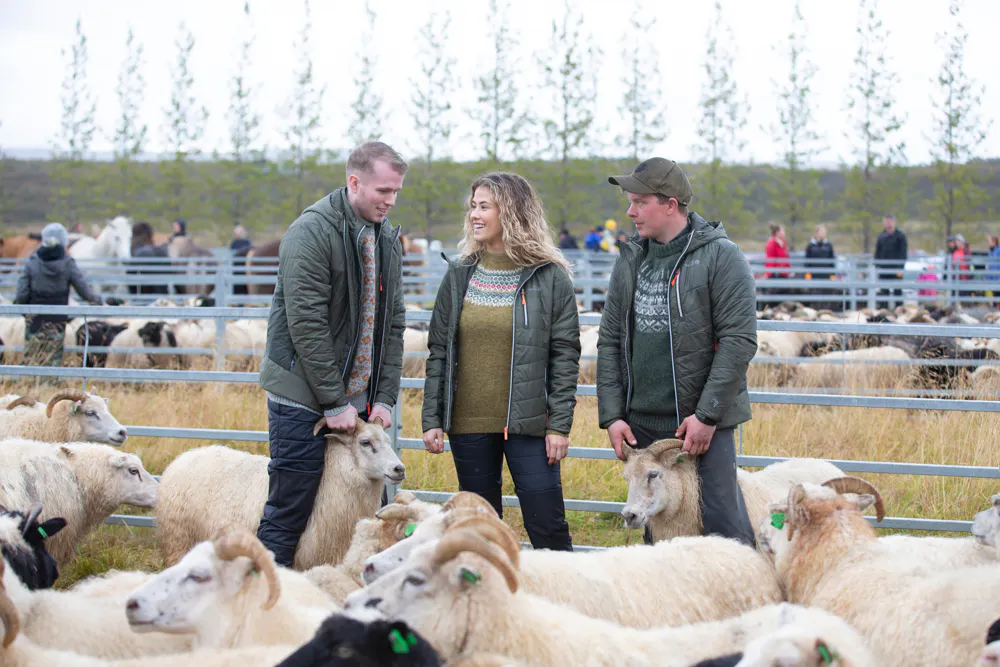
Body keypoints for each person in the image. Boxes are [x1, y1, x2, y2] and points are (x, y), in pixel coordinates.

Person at [256, 141, 409, 567]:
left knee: (353, 509)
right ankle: (267, 597)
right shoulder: (311, 232)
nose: (390, 201)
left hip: (357, 403)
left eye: (396, 192)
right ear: (354, 181)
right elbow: (307, 324)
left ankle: (331, 593)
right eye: (383, 191)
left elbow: (392, 325)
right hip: (303, 397)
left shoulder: (387, 240)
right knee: (292, 503)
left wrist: (383, 397)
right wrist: (333, 401)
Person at [598, 157, 757, 548]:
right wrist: (613, 415)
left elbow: (739, 340)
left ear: (670, 204)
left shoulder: (721, 257)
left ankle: (743, 599)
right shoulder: (632, 258)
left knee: (721, 520)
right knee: (659, 527)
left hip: (700, 422)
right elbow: (611, 339)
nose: (630, 211)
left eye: (639, 202)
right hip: (642, 423)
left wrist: (707, 415)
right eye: (630, 202)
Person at [421, 172, 580, 552]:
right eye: (473, 206)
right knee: (478, 532)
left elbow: (565, 356)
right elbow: (439, 350)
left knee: (548, 527)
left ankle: (563, 601)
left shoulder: (550, 277)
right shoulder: (459, 274)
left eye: (484, 206)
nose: (475, 214)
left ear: (511, 212)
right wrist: (432, 418)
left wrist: (558, 425)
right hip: (468, 425)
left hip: (529, 425)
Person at [15, 222, 101, 368]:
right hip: (57, 321)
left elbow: (21, 294)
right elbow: (83, 290)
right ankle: (50, 386)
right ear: (63, 241)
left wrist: (24, 312)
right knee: (53, 358)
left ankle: (30, 386)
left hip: (34, 320)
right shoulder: (68, 263)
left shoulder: (32, 262)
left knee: (33, 358)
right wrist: (99, 301)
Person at [873, 214, 907, 310]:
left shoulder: (900, 236)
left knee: (897, 290)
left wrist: (900, 267)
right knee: (883, 290)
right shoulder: (881, 236)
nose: (888, 223)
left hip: (896, 269)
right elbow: (877, 253)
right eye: (886, 221)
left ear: (894, 222)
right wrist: (877, 265)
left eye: (890, 221)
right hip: (884, 269)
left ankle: (899, 310)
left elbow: (903, 253)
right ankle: (884, 311)